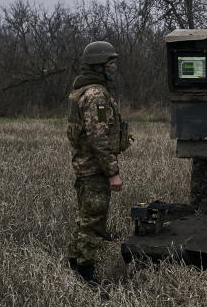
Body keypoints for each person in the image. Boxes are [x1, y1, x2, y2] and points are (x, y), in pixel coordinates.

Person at [66, 41, 131, 288]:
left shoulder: (83, 91)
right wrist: (113, 172)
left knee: (85, 219)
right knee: (93, 222)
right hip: (94, 170)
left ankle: (74, 266)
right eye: (110, 63)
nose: (114, 67)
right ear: (99, 66)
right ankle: (86, 277)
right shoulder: (96, 96)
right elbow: (98, 137)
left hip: (85, 167)